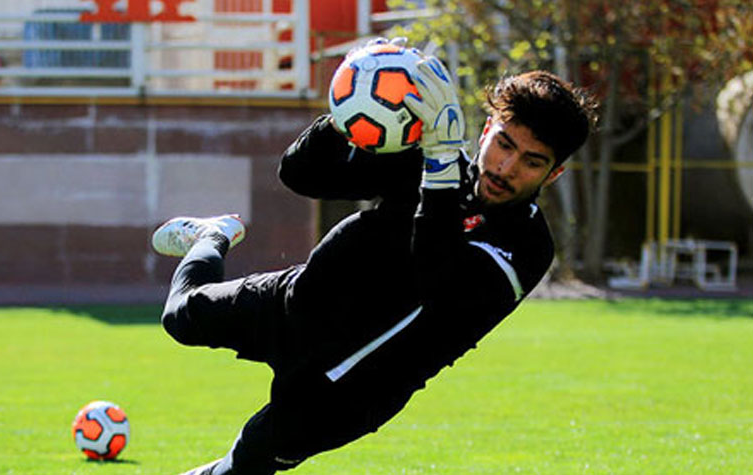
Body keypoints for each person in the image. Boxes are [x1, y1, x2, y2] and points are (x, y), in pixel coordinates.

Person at [152, 43, 598, 474]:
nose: (506, 167)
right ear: (486, 131)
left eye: (532, 161)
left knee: (244, 465)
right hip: (295, 304)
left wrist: (441, 164)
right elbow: (300, 173)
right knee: (179, 318)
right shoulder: (430, 158)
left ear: (553, 173)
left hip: (347, 390)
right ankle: (212, 237)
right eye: (504, 144)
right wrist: (352, 106)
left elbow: (432, 274)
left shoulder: (528, 248)